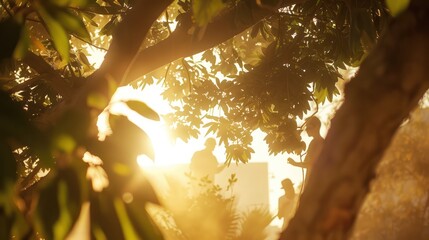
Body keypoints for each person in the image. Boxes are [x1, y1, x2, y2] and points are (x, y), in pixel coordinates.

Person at [288, 116, 324, 184]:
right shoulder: (313, 142)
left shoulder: (319, 143)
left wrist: (295, 163)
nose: (306, 130)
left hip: (316, 182)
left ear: (316, 127)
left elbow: (312, 164)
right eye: (306, 128)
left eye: (309, 127)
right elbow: (307, 162)